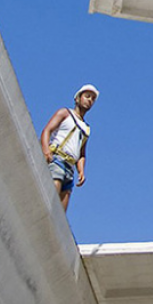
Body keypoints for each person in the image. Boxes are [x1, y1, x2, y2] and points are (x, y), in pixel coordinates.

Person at [40, 84, 99, 212]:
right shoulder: (65, 113)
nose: (89, 100)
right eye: (87, 96)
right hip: (57, 159)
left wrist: (81, 170)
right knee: (52, 195)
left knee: (61, 210)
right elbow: (47, 130)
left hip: (70, 168)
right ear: (78, 98)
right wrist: (46, 150)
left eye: (93, 99)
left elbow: (82, 153)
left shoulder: (86, 128)